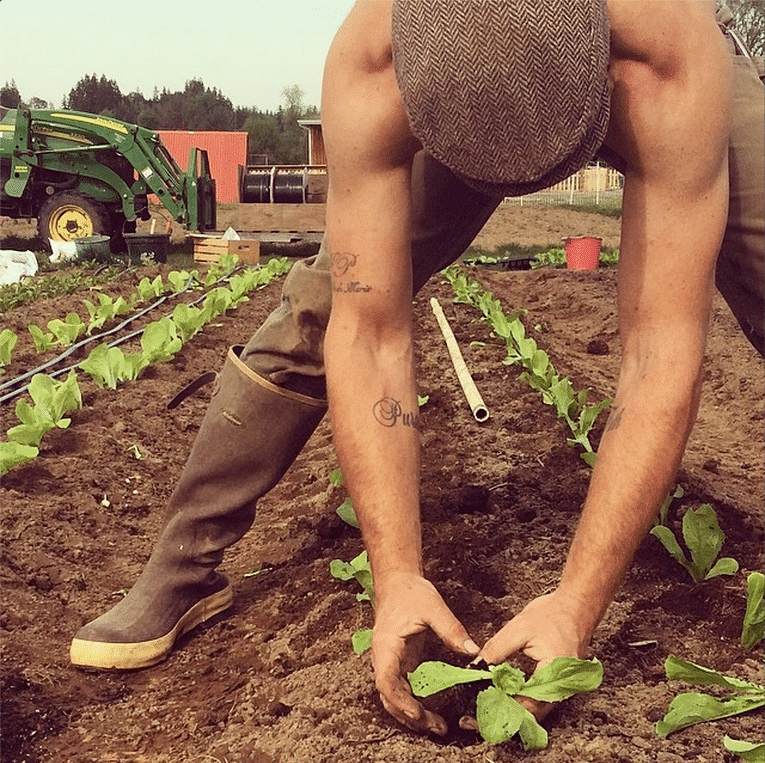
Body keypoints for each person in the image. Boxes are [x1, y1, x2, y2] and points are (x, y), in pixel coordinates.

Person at [71, 0, 764, 741]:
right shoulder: (373, 58)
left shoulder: (667, 48)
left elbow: (659, 350)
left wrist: (573, 605)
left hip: (648, 82)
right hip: (453, 94)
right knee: (322, 303)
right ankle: (183, 563)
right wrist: (395, 575)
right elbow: (369, 335)